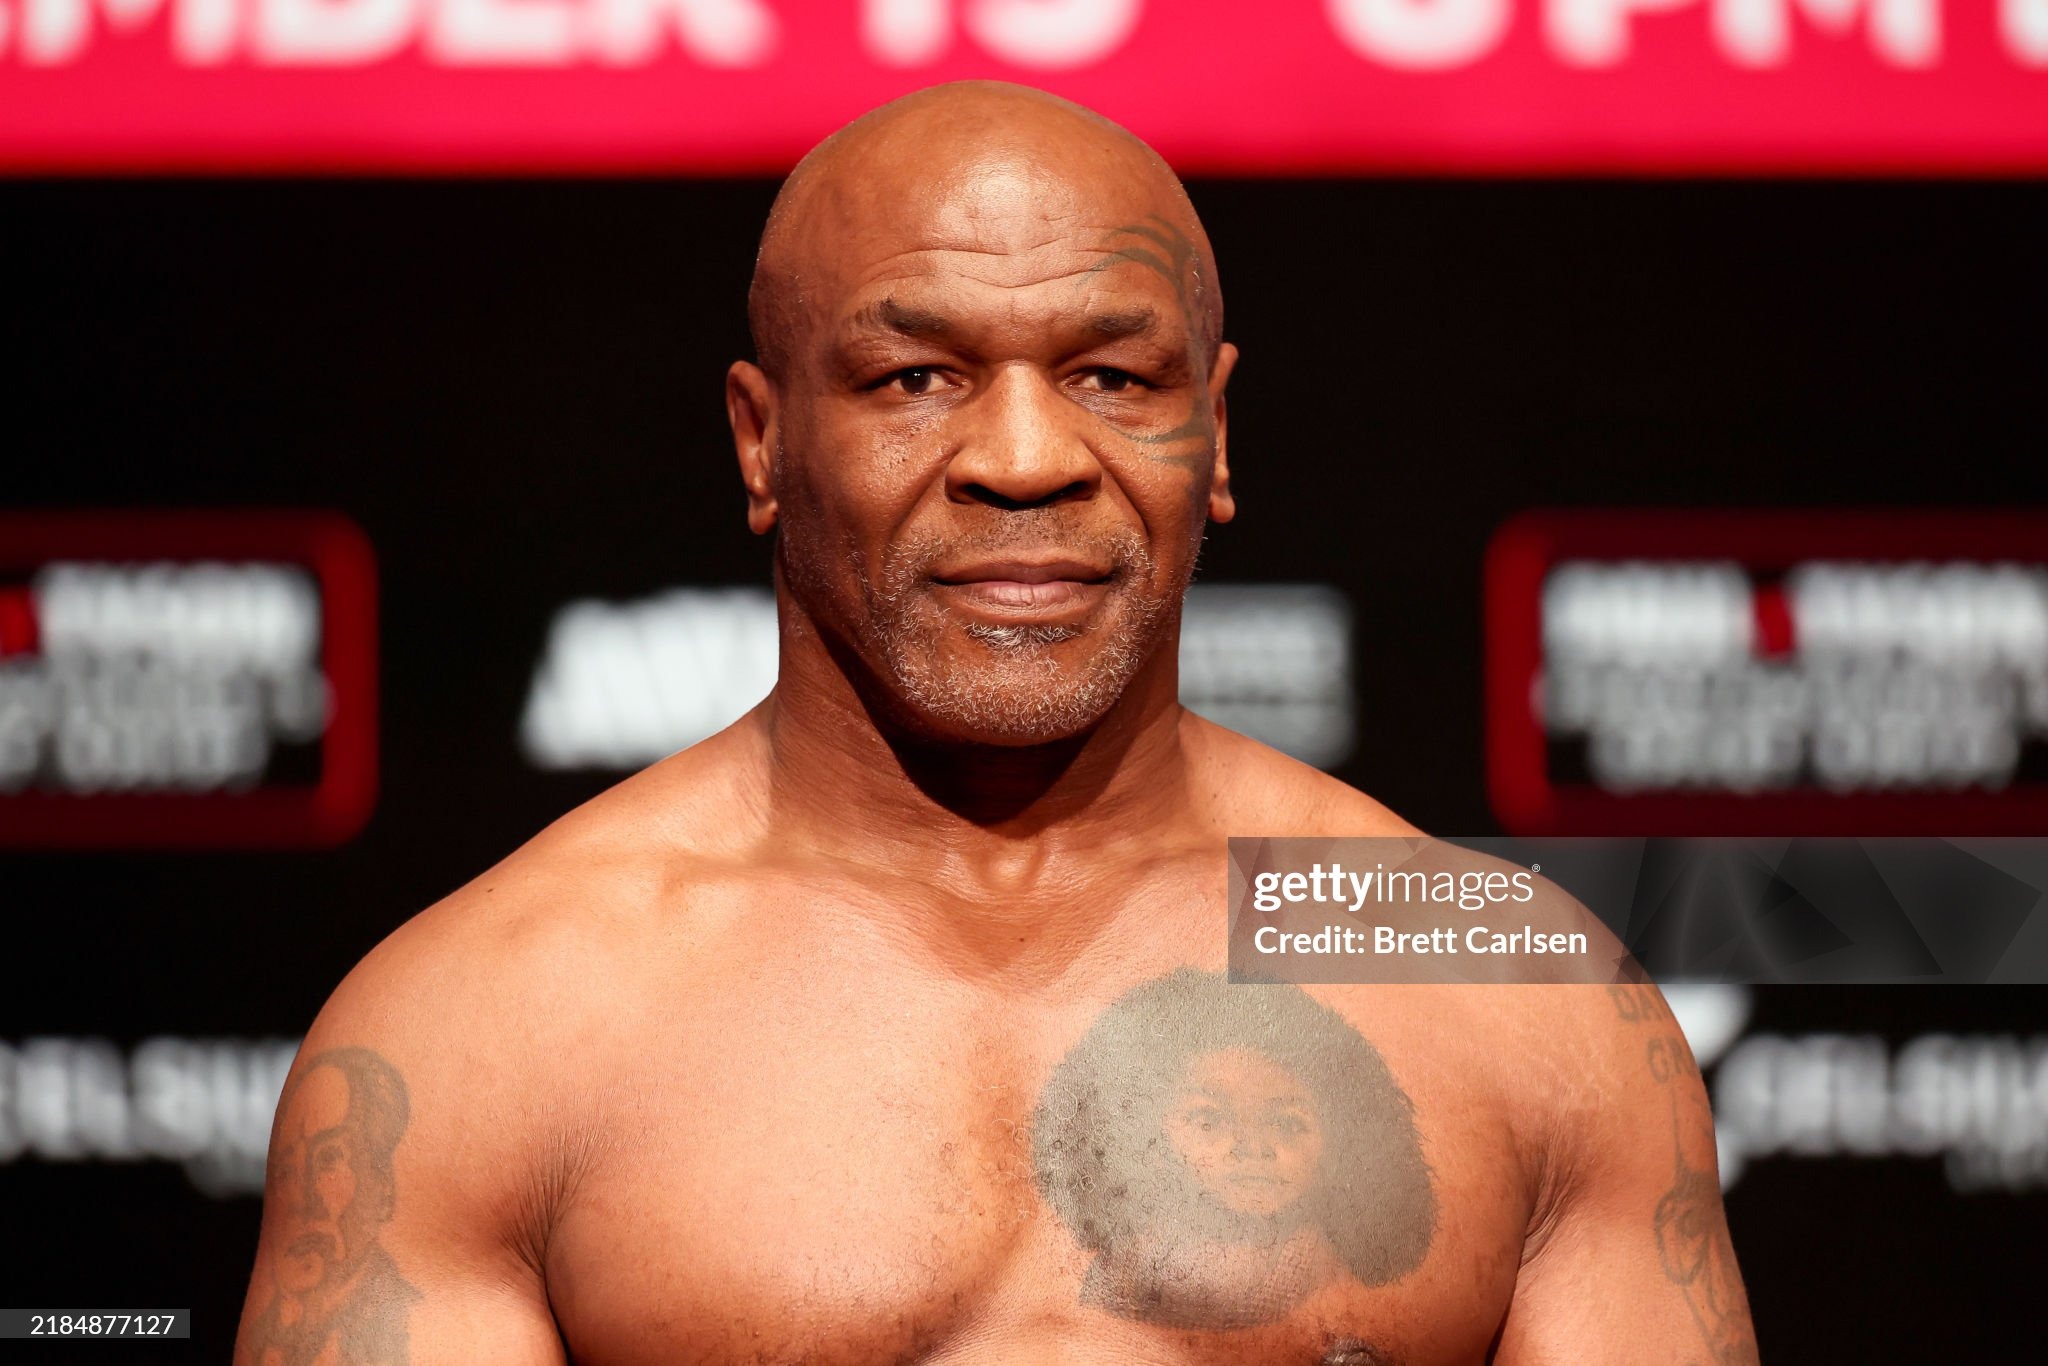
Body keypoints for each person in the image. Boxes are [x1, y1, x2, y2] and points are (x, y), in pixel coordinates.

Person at [235, 81, 1757, 1365]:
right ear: (762, 444)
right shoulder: (482, 1039)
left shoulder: (1523, 1007)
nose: (1027, 459)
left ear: (1212, 432)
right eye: (916, 377)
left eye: (1111, 373)